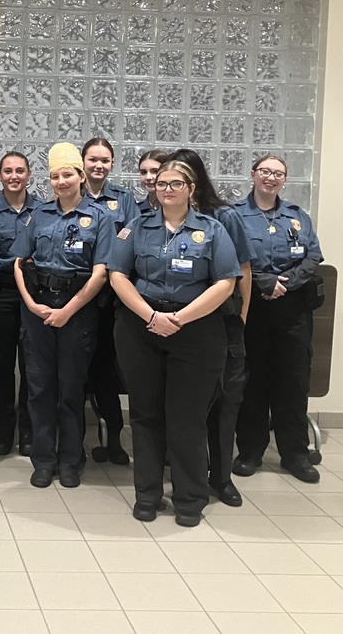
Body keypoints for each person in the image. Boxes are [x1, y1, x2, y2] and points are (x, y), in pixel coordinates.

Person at [109, 160, 239, 527]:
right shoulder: (136, 227)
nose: (167, 189)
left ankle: (190, 498)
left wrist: (179, 319)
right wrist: (152, 317)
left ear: (191, 188)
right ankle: (147, 494)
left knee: (187, 418)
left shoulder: (212, 229)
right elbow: (118, 275)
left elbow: (225, 283)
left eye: (176, 183)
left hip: (196, 331)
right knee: (145, 415)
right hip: (142, 328)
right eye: (161, 183)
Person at [11, 143, 113, 489]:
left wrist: (69, 310)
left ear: (81, 176)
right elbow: (19, 263)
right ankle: (43, 460)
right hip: (38, 308)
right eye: (55, 176)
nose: (60, 182)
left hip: (77, 310)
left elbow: (101, 272)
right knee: (39, 388)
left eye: (67, 174)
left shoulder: (100, 218)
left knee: (71, 388)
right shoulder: (39, 215)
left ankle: (70, 460)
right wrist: (30, 303)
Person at [165, 148, 253, 507]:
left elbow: (243, 270)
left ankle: (221, 477)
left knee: (224, 401)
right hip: (176, 326)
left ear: (194, 181)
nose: (171, 186)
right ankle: (187, 475)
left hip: (222, 323)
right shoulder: (158, 216)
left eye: (181, 179)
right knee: (182, 407)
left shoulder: (223, 216)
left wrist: (241, 318)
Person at [233, 154, 324, 484]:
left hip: (293, 310)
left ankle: (295, 454)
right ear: (253, 174)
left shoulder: (297, 216)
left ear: (284, 180)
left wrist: (287, 283)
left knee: (293, 383)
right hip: (252, 307)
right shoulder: (234, 215)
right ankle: (250, 452)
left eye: (278, 173)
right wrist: (265, 281)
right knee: (252, 382)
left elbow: (314, 255)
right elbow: (230, 256)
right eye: (265, 171)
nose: (271, 178)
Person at [0, 151, 39, 456]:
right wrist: (17, 262)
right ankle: (4, 428)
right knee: (1, 366)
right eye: (8, 171)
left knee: (31, 367)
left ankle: (27, 430)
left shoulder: (43, 210)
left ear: (29, 175)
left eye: (20, 171)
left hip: (34, 297)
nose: (14, 176)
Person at [81, 137, 139, 466]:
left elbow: (130, 242)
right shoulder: (69, 193)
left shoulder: (124, 200)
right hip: (77, 296)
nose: (98, 165)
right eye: (93, 159)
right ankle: (74, 441)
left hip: (110, 300)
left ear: (112, 164)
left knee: (105, 371)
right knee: (75, 372)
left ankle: (114, 440)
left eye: (105, 160)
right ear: (83, 162)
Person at [137, 149, 169, 215]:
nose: (148, 177)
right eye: (143, 172)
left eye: (155, 171)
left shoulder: (181, 210)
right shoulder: (135, 211)